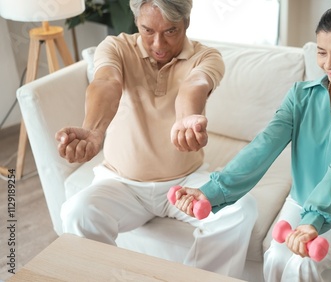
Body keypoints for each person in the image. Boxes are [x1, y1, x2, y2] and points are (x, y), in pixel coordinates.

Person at [172, 4, 331, 281]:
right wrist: (212, 191)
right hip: (303, 200)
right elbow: (264, 145)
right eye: (321, 52)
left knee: (304, 263)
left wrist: (314, 220)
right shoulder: (301, 96)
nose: (328, 64)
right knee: (277, 254)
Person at [55, 0, 257, 279]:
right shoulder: (116, 47)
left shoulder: (207, 56)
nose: (158, 43)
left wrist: (186, 118)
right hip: (121, 184)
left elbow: (194, 85)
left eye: (171, 31)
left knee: (241, 209)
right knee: (76, 212)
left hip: (185, 182)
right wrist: (93, 130)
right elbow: (106, 82)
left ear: (186, 22)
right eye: (148, 30)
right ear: (136, 22)